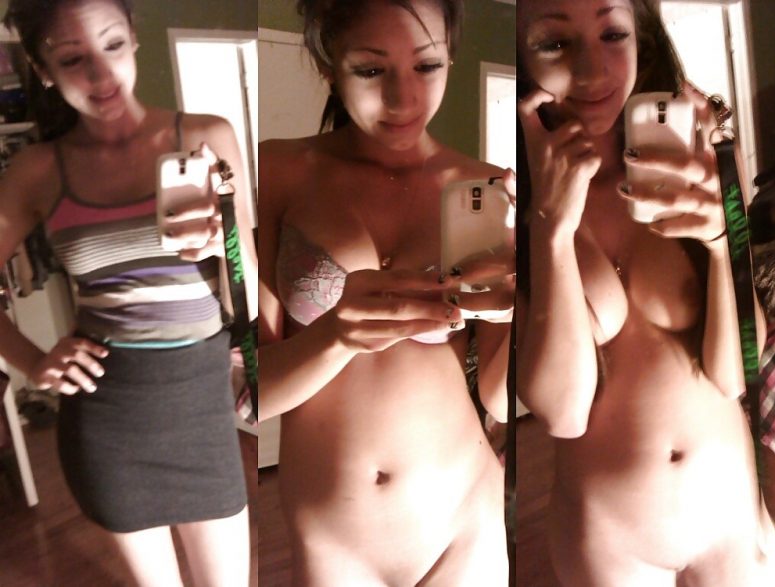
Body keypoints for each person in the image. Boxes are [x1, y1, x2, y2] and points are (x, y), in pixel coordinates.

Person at [517, 0, 775, 585]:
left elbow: (735, 374)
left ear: (642, 41)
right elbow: (562, 412)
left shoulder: (704, 166)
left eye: (613, 33)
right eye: (555, 43)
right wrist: (551, 225)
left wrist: (722, 242)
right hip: (608, 541)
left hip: (729, 518)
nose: (592, 69)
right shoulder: (513, 203)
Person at [0, 0, 257, 584]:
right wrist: (33, 363)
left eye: (112, 44)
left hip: (201, 406)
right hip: (108, 418)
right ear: (42, 69)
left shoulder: (208, 135)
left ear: (134, 37)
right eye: (73, 59)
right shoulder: (37, 170)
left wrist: (222, 245)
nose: (101, 73)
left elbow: (247, 283)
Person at [259, 0, 514, 584]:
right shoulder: (277, 171)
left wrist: (525, 303)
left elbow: (502, 400)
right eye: (372, 70)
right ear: (329, 66)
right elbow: (254, 394)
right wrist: (335, 335)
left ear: (450, 58)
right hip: (334, 541)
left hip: (465, 518)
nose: (403, 99)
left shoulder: (482, 185)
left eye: (427, 66)